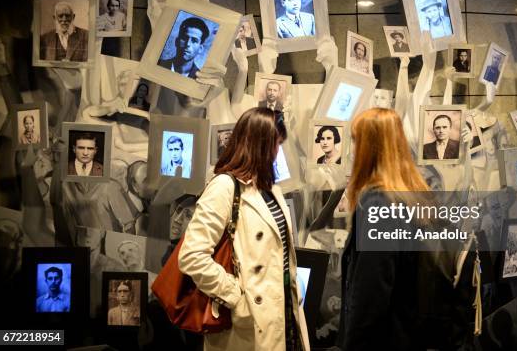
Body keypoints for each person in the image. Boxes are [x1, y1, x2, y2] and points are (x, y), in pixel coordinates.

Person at [178, 108, 309, 350]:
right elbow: (191, 257)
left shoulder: (272, 190)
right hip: (248, 323)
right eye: (275, 144)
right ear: (258, 144)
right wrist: (236, 297)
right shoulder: (224, 187)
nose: (278, 152)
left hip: (284, 318)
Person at [338, 108, 467, 349]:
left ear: (370, 148)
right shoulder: (414, 195)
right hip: (410, 335)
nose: (352, 151)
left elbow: (372, 292)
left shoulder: (378, 202)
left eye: (356, 142)